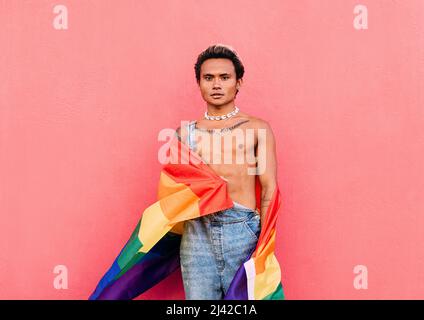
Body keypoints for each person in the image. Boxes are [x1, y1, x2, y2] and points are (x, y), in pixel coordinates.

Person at [175, 44, 278, 300]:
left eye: (225, 77)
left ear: (238, 82)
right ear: (199, 84)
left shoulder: (257, 128)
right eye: (208, 78)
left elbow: (269, 189)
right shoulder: (184, 134)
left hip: (241, 230)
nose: (216, 84)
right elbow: (176, 194)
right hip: (197, 233)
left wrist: (263, 243)